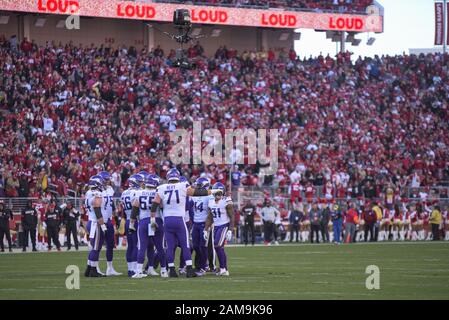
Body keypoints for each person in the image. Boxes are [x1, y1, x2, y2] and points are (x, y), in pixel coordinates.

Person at [146, 168, 211, 278]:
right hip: (179, 220)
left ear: (168, 177)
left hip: (167, 220)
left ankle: (171, 269)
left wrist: (152, 220)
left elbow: (155, 205)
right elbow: (198, 192)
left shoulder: (161, 188)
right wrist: (212, 191)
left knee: (170, 246)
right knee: (185, 245)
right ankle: (189, 269)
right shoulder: (182, 186)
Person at [130, 173, 168, 278]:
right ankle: (164, 270)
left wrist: (132, 223)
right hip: (157, 220)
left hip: (143, 221)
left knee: (142, 247)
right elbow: (162, 207)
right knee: (160, 247)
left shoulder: (139, 193)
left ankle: (138, 271)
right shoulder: (158, 192)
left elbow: (134, 209)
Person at [204, 182, 235, 276]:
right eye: (216, 193)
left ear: (223, 192)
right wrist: (205, 229)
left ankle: (223, 268)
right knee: (218, 247)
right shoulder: (210, 202)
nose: (217, 195)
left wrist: (230, 230)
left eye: (219, 193)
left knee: (217, 245)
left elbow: (232, 216)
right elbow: (210, 217)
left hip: (224, 225)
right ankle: (224, 269)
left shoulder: (226, 201)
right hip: (216, 226)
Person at [98, 171, 121, 276]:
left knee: (110, 244)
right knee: (97, 246)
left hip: (109, 220)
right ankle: (95, 267)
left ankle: (110, 268)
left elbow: (110, 204)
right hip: (100, 220)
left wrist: (114, 214)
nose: (108, 182)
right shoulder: (97, 191)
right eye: (106, 180)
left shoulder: (110, 189)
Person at [84, 175, 107, 277]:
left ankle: (88, 269)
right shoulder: (97, 193)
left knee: (94, 246)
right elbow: (97, 209)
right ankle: (93, 270)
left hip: (90, 221)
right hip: (95, 223)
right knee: (96, 248)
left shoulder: (89, 193)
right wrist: (103, 225)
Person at [190, 177, 212, 276]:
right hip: (195, 223)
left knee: (203, 246)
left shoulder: (209, 197)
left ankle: (204, 267)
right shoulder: (193, 196)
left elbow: (211, 211)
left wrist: (208, 226)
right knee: (195, 246)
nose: (197, 187)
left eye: (199, 185)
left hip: (204, 223)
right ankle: (201, 264)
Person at [120, 174, 140, 277]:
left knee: (130, 246)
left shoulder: (124, 193)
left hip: (127, 219)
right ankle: (135, 269)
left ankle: (130, 269)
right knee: (136, 245)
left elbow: (122, 208)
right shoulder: (136, 192)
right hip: (135, 220)